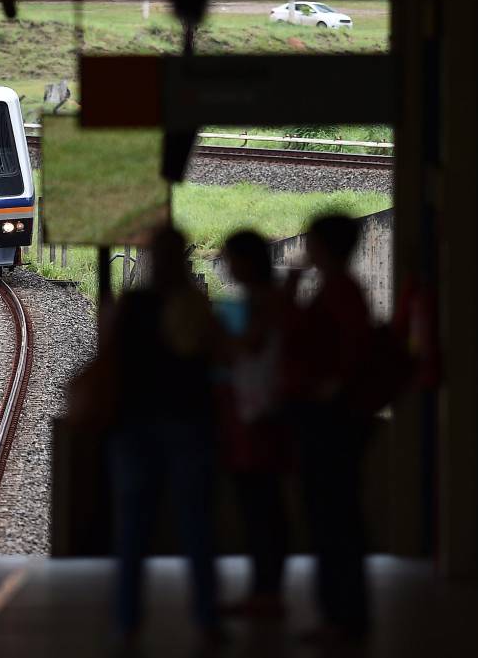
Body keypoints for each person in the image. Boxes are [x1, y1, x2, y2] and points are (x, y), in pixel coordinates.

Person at [90, 225, 222, 643]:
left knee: (132, 531)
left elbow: (107, 351)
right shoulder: (195, 305)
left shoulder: (133, 304)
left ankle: (127, 624)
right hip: (189, 424)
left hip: (133, 427)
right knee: (197, 526)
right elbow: (217, 355)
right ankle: (206, 620)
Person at [283, 212, 374, 641]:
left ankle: (341, 616)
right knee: (336, 518)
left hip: (331, 423)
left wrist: (326, 393)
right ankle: (341, 614)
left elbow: (337, 352)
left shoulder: (340, 293)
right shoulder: (343, 290)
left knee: (332, 520)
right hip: (337, 419)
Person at [219, 230, 292, 618]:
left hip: (259, 414)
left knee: (260, 505)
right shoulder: (270, 297)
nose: (227, 265)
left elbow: (250, 345)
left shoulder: (264, 301)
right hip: (262, 411)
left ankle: (267, 591)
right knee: (263, 504)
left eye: (230, 257)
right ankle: (266, 589)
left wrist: (216, 338)